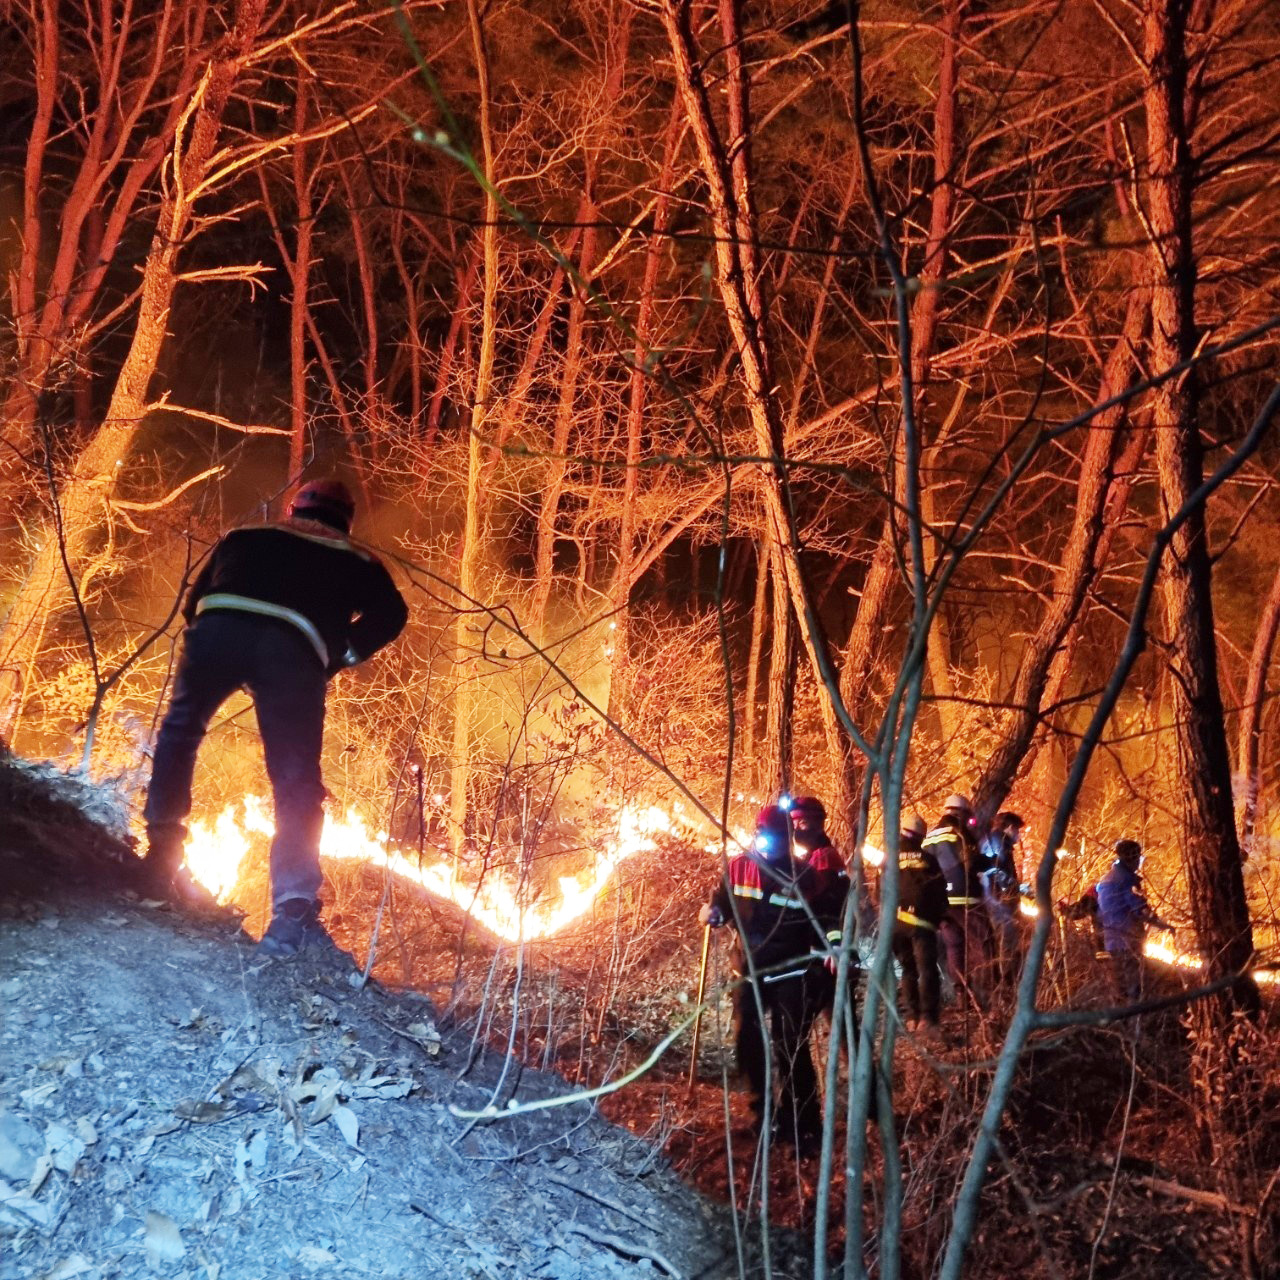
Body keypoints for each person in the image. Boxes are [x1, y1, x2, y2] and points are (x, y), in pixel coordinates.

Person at [141, 479, 408, 957]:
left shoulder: (243, 536)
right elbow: (392, 614)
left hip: (217, 630)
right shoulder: (358, 558)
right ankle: (292, 909)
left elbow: (193, 604)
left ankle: (161, 851)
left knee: (181, 731)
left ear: (292, 509)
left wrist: (219, 645)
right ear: (345, 521)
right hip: (293, 653)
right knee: (295, 781)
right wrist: (335, 656)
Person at [699, 804, 823, 1148]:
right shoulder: (739, 866)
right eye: (765, 836)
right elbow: (723, 903)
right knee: (749, 1041)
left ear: (789, 838)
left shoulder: (803, 875)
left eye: (778, 838)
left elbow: (819, 922)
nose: (771, 844)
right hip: (748, 970)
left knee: (791, 1046)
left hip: (790, 972)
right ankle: (762, 1114)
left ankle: (804, 1122)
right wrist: (713, 913)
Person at [923, 793, 995, 1012]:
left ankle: (961, 995)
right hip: (966, 899)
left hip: (941, 905)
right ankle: (990, 994)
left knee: (954, 947)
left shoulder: (929, 837)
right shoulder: (960, 833)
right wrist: (991, 861)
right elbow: (970, 863)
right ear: (961, 813)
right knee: (985, 941)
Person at [890, 814, 948, 1038]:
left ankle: (912, 1017)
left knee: (908, 970)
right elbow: (939, 891)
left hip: (896, 924)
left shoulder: (889, 858)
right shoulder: (928, 860)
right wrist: (940, 916)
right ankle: (928, 1019)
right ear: (922, 836)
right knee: (927, 970)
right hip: (922, 924)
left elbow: (880, 891)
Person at [1095, 839, 1171, 1002]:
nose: (1139, 861)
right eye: (1138, 857)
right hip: (1128, 939)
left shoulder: (1106, 879)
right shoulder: (1127, 880)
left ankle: (1121, 1015)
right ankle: (1136, 1014)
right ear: (1132, 857)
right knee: (1134, 985)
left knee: (1119, 986)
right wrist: (1163, 925)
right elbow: (1140, 909)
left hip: (1111, 939)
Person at [979, 811, 1024, 981]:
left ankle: (1006, 978)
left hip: (997, 898)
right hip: (998, 899)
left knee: (1007, 938)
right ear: (1010, 827)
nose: (1018, 835)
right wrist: (1014, 886)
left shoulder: (998, 842)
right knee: (1007, 938)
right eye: (1017, 830)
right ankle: (1007, 979)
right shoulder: (997, 842)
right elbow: (995, 869)